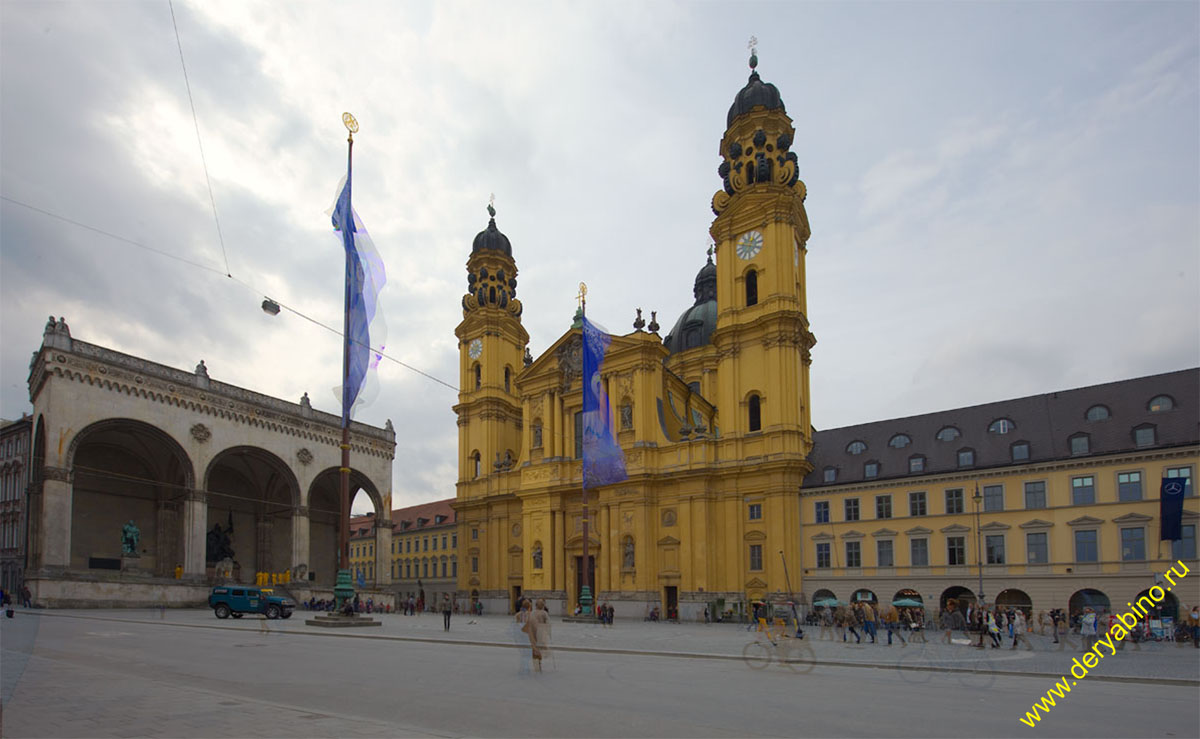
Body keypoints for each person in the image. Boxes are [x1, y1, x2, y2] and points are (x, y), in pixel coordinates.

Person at [527, 598, 551, 672]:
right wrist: (548, 633)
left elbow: (529, 623)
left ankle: (536, 664)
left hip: (533, 633)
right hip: (541, 633)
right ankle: (539, 662)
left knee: (534, 648)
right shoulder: (544, 613)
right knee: (540, 648)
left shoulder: (532, 613)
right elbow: (548, 624)